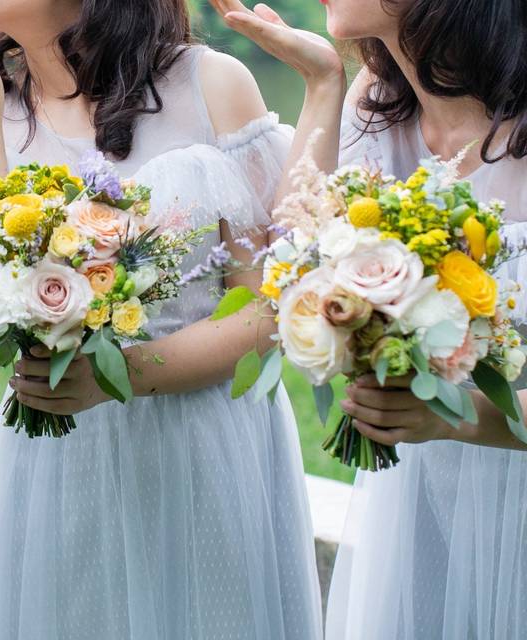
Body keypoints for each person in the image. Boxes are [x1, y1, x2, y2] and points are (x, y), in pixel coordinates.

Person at [0, 2, 324, 637]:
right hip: (53, 452)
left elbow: (268, 310)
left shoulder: (211, 85)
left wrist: (121, 375)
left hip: (201, 443)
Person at [211, 0, 527, 637]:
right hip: (418, 497)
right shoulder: (375, 99)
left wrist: (460, 417)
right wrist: (322, 84)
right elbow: (290, 263)